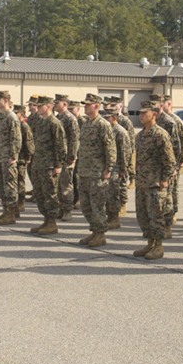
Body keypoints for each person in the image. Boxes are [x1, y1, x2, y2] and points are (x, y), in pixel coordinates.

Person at [132, 100, 176, 260]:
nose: (141, 115)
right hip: (142, 182)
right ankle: (150, 243)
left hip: (155, 184)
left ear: (154, 114)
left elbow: (170, 161)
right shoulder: (140, 135)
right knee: (143, 215)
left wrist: (165, 179)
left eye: (145, 113)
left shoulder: (160, 134)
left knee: (156, 216)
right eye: (140, 113)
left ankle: (158, 246)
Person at [77, 93, 116, 248]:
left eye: (88, 104)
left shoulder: (103, 125)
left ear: (97, 106)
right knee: (86, 205)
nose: (85, 107)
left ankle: (100, 235)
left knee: (97, 205)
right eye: (85, 104)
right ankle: (94, 231)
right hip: (85, 171)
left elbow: (110, 148)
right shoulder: (86, 124)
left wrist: (109, 168)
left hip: (97, 172)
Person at [29, 96, 66, 235]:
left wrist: (58, 165)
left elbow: (60, 146)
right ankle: (46, 220)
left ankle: (52, 223)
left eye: (40, 106)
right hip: (38, 163)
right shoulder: (39, 122)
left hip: (49, 165)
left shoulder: (54, 123)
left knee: (50, 194)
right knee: (39, 194)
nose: (37, 108)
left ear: (48, 107)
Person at [0, 91, 22, 225]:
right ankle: (6, 211)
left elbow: (16, 138)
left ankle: (11, 214)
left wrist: (13, 155)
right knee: (1, 187)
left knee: (10, 187)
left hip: (8, 157)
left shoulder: (11, 117)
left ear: (6, 100)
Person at [151, 94, 182, 238]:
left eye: (155, 104)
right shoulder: (151, 121)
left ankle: (168, 224)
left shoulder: (169, 123)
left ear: (161, 105)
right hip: (153, 169)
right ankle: (158, 225)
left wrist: (173, 168)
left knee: (168, 196)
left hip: (167, 168)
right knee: (157, 200)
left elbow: (176, 146)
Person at [160, 93, 183, 226]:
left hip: (173, 162)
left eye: (162, 103)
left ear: (169, 104)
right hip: (162, 162)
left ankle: (173, 212)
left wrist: (179, 161)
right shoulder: (159, 119)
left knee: (173, 189)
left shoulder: (175, 121)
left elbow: (182, 142)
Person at [103, 106, 131, 230]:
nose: (105, 119)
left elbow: (125, 152)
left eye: (107, 117)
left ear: (114, 118)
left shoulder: (120, 131)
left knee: (113, 194)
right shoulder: (107, 129)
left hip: (117, 168)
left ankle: (114, 219)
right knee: (107, 194)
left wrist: (124, 169)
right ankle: (109, 217)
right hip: (108, 167)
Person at [54, 94, 80, 221]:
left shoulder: (71, 119)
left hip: (67, 157)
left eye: (57, 102)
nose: (55, 104)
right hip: (58, 157)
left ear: (64, 104)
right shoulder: (58, 117)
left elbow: (75, 139)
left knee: (66, 184)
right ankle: (60, 207)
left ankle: (67, 210)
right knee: (58, 184)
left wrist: (72, 156)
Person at [14, 105, 35, 214]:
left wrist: (28, 156)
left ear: (21, 114)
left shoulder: (24, 126)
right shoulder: (15, 125)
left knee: (20, 181)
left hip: (22, 158)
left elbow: (29, 143)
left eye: (16, 112)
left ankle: (21, 202)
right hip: (15, 157)